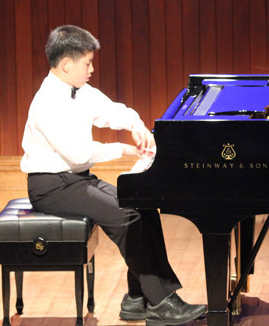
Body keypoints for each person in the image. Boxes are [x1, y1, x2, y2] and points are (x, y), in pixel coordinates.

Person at [20, 25, 206, 325]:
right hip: (51, 187)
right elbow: (78, 154)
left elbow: (111, 110)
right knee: (126, 216)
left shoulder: (79, 90)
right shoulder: (48, 102)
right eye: (87, 63)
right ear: (66, 65)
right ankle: (161, 302)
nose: (92, 69)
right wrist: (124, 149)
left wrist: (137, 126)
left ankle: (137, 298)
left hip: (74, 181)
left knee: (141, 203)